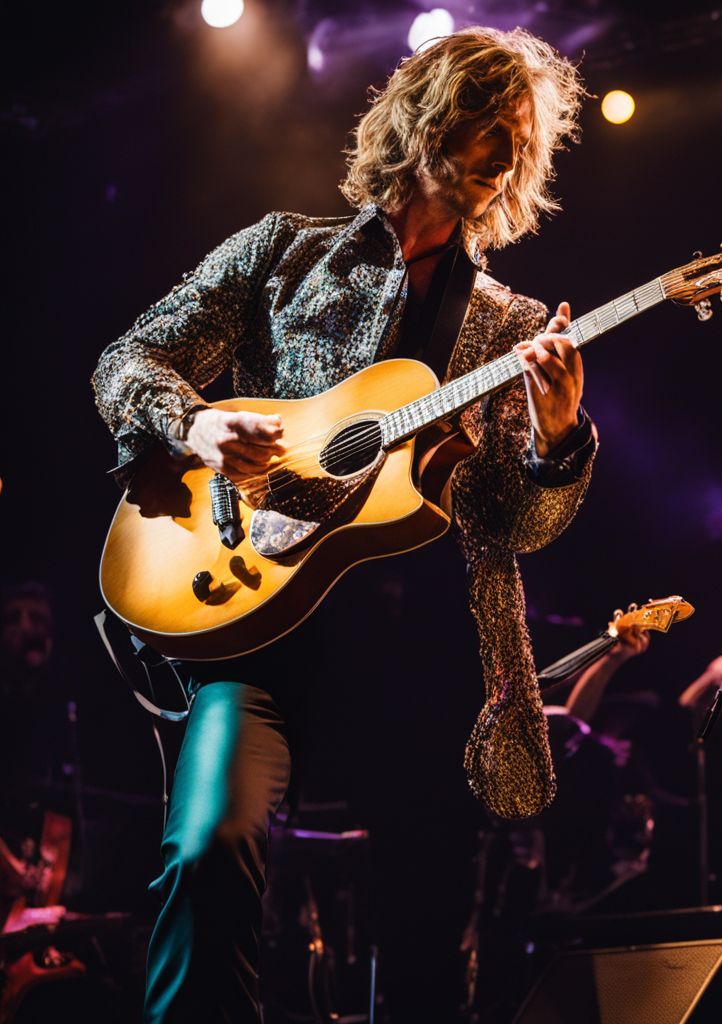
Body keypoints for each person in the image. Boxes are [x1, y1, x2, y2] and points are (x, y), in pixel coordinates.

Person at [91, 28, 597, 1023]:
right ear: (421, 118)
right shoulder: (284, 250)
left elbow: (513, 523)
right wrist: (195, 423)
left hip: (421, 663)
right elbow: (126, 361)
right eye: (483, 124)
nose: (500, 153)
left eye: (518, 138)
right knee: (204, 850)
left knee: (422, 939)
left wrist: (559, 436)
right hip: (257, 624)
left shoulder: (511, 323)